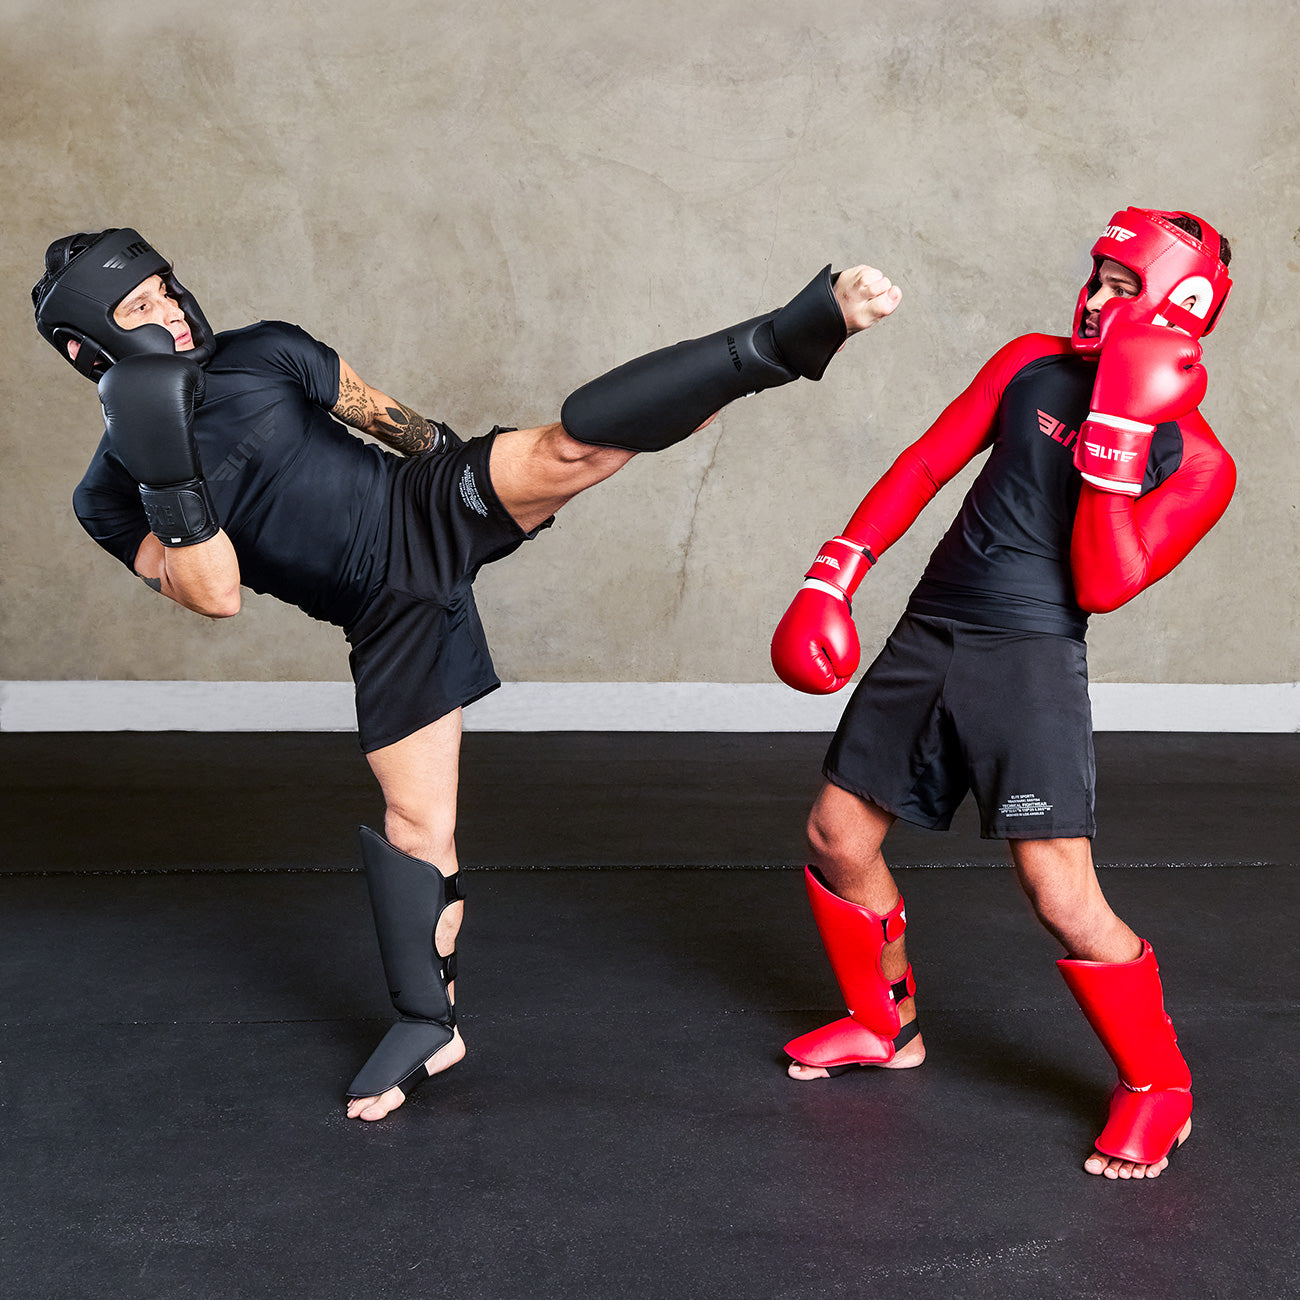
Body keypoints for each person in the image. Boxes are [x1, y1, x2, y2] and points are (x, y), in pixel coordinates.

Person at [33, 227, 903, 1121]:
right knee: (416, 827)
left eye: (168, 289)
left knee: (579, 444)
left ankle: (785, 337)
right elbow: (215, 597)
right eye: (140, 308)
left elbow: (399, 427)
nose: (171, 313)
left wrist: (502, 493)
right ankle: (427, 1023)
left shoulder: (266, 351)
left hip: (420, 511)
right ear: (87, 347)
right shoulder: (107, 494)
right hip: (383, 617)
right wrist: (163, 468)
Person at [770, 208, 1236, 1180]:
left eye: (1121, 283)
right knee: (834, 836)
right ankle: (881, 1023)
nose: (1093, 295)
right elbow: (928, 462)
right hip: (930, 628)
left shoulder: (1196, 463)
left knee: (1060, 895)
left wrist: (1114, 435)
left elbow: (1104, 584)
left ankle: (1158, 1086)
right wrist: (832, 573)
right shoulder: (1029, 360)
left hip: (1028, 658)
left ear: (1179, 309)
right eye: (1096, 274)